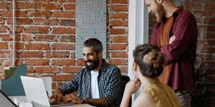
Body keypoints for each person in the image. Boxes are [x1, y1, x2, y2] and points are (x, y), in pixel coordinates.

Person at [145, 0, 198, 106]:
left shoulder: (186, 18)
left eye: (149, 5)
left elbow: (172, 52)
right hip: (159, 90)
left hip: (177, 91)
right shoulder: (158, 26)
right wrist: (169, 45)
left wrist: (166, 48)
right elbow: (151, 55)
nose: (149, 11)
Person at [50, 38, 122, 107]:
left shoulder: (112, 71)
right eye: (84, 55)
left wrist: (83, 100)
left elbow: (108, 101)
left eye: (90, 54)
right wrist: (58, 93)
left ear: (99, 53)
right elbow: (65, 88)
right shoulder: (83, 73)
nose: (86, 59)